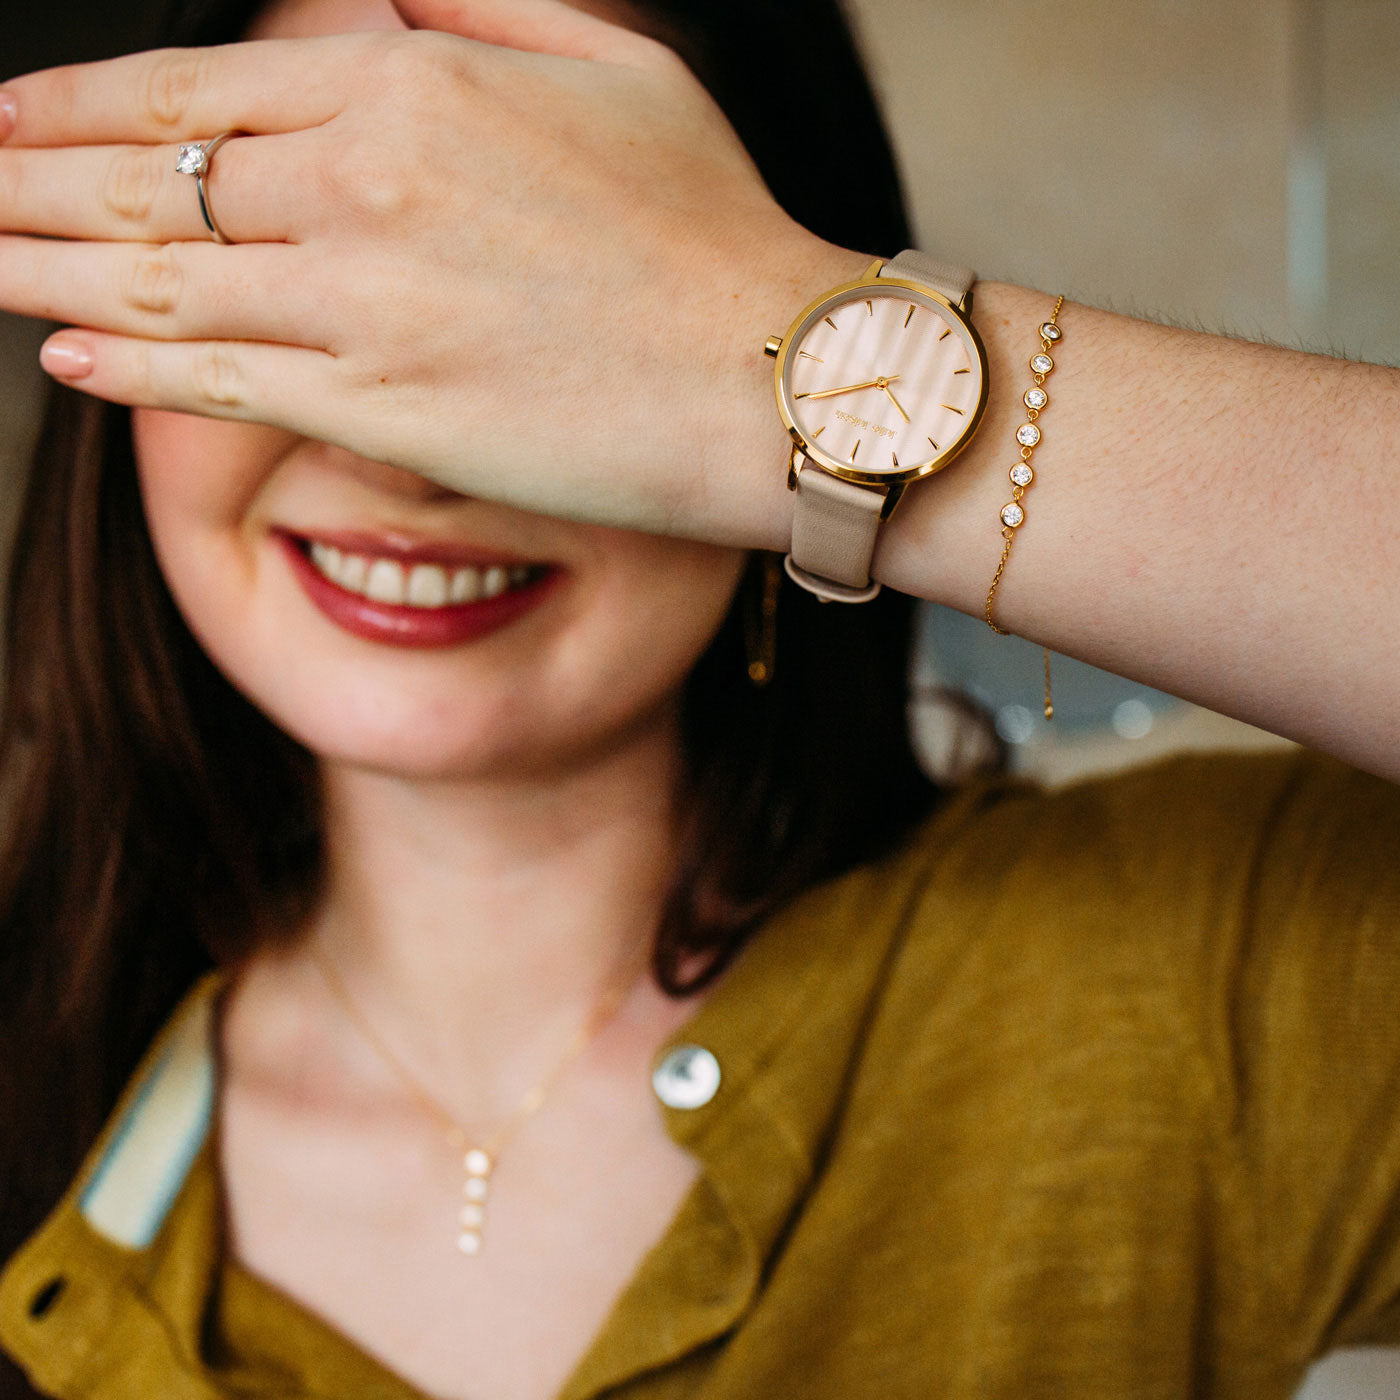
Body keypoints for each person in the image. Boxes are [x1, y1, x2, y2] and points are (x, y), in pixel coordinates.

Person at [0, 0, 1396, 1397]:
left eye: (531, 295)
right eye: (281, 269)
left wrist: (824, 361)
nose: (404, 458)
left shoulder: (1198, 977)